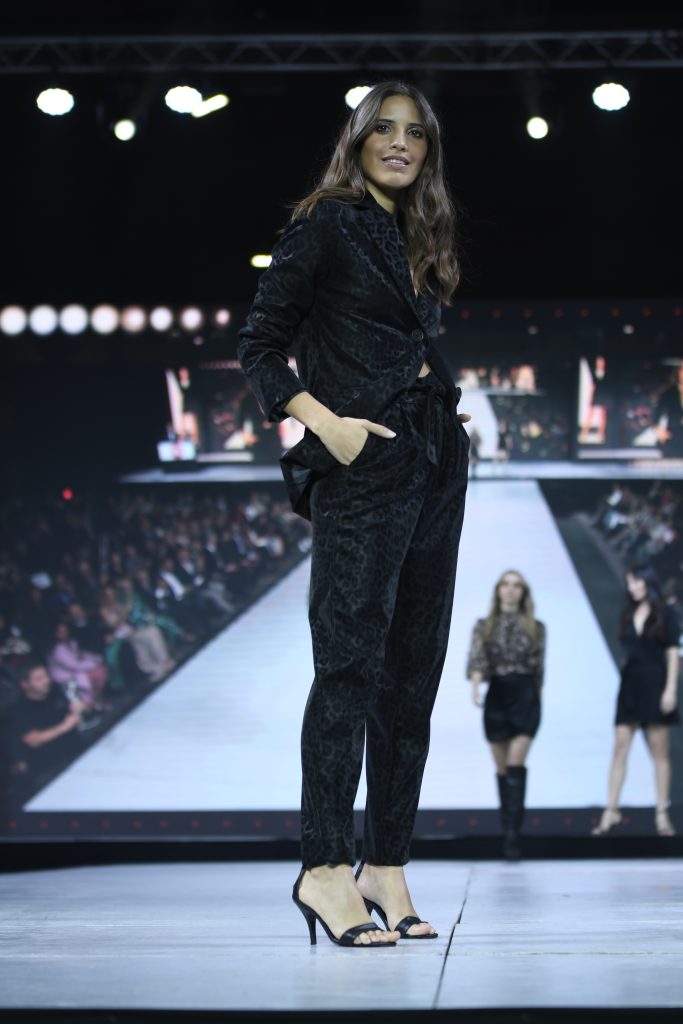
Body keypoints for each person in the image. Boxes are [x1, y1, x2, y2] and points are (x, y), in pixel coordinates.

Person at [238, 81, 469, 947]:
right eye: (385, 129)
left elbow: (398, 343)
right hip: (364, 461)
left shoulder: (417, 234)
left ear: (428, 150)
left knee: (412, 676)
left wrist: (440, 416)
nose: (400, 143)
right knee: (348, 668)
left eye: (416, 133)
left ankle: (386, 863)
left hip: (435, 456)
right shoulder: (328, 221)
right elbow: (260, 341)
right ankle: (324, 867)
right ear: (359, 139)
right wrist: (326, 425)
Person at [592, 567, 680, 837]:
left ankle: (661, 813)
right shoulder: (627, 613)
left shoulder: (666, 613)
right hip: (630, 683)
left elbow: (673, 652)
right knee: (620, 747)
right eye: (629, 583)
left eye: (636, 582)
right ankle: (611, 810)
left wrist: (670, 690)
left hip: (655, 681)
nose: (632, 587)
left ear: (648, 583)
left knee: (659, 750)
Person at [466, 570, 545, 861]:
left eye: (516, 585)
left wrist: (537, 703)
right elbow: (477, 660)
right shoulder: (484, 625)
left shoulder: (536, 627)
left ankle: (513, 836)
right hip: (497, 696)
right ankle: (508, 831)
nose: (511, 590)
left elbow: (539, 670)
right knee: (502, 771)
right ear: (498, 589)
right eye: (506, 584)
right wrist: (476, 687)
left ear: (523, 592)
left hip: (525, 697)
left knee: (515, 766)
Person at [654, 363, 683, 458]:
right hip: (674, 441)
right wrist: (660, 431)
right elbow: (656, 416)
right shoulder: (668, 393)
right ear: (678, 372)